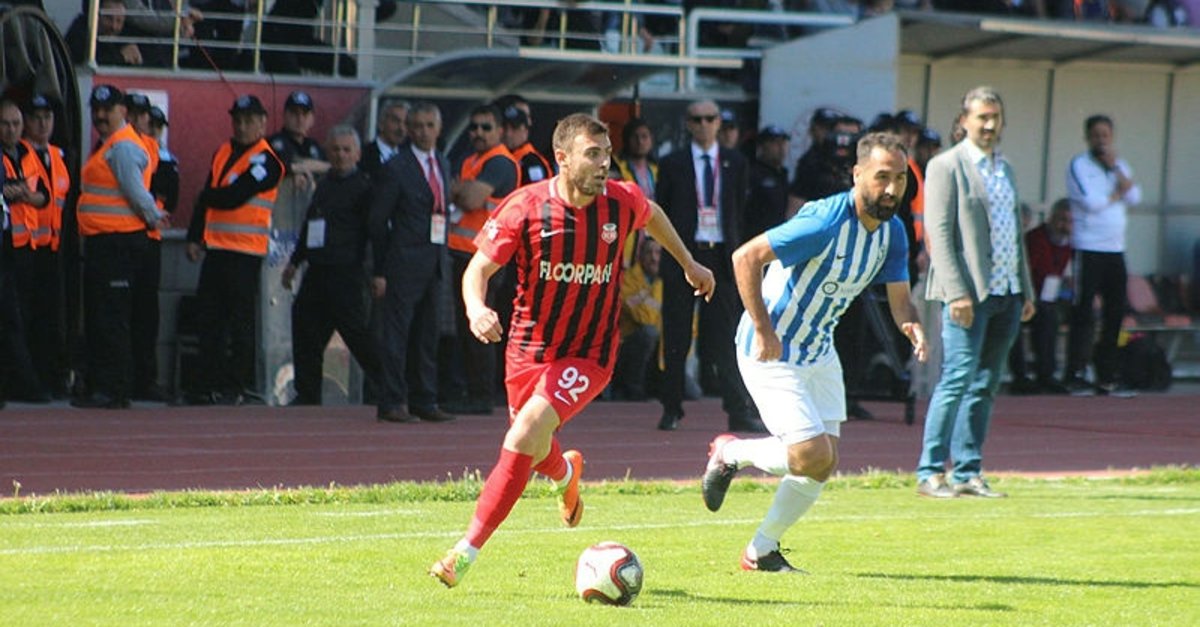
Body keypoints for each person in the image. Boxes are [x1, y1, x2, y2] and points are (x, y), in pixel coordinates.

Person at [429, 112, 715, 588]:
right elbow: (477, 270)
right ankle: (565, 474)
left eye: (607, 154)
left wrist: (688, 263)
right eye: (593, 154)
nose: (604, 164)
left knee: (525, 433)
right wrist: (476, 308)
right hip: (527, 350)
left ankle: (465, 551)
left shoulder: (620, 201)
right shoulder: (525, 207)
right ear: (562, 158)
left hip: (589, 353)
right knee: (532, 443)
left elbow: (652, 213)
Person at [703, 132, 927, 572]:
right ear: (857, 174)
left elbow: (900, 299)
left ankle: (761, 550)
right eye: (882, 177)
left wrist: (911, 324)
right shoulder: (824, 221)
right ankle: (731, 454)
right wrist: (764, 330)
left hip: (820, 351)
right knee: (812, 454)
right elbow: (745, 258)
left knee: (823, 464)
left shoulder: (893, 232)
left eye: (900, 178)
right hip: (771, 349)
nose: (892, 188)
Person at [916, 86, 1035, 499]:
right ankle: (930, 471)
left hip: (1008, 291)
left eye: (995, 117)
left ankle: (968, 471)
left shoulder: (1006, 168)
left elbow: (1014, 234)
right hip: (968, 294)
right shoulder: (945, 165)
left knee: (986, 384)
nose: (989, 124)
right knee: (956, 379)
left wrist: (1026, 289)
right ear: (963, 120)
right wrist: (956, 293)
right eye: (982, 116)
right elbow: (939, 234)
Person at [655, 100, 763, 433]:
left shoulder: (736, 162)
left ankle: (737, 409)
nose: (703, 125)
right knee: (676, 335)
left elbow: (740, 210)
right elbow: (661, 211)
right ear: (688, 124)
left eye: (710, 119)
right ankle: (671, 408)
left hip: (720, 257)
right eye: (697, 119)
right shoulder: (671, 163)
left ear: (719, 123)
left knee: (725, 337)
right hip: (684, 256)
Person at [185, 95, 285, 405]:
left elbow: (234, 195)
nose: (241, 126)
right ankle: (206, 385)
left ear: (262, 123)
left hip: (245, 253)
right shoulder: (223, 151)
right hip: (216, 248)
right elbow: (210, 196)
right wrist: (194, 236)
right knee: (209, 319)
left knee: (240, 322)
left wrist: (206, 196)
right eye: (237, 120)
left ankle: (236, 385)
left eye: (248, 121)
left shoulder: (268, 161)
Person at [71, 85, 167, 408]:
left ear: (122, 111)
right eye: (96, 109)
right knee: (104, 314)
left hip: (118, 244)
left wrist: (153, 217)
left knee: (111, 317)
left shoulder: (122, 146)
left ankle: (113, 389)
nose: (100, 115)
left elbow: (136, 192)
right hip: (107, 242)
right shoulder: (112, 144)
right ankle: (107, 386)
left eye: (107, 109)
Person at [282, 125, 384, 408]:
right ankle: (307, 394)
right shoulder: (325, 185)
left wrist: (378, 272)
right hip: (317, 270)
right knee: (305, 327)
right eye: (336, 149)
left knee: (357, 335)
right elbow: (310, 225)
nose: (340, 155)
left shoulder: (364, 188)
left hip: (346, 272)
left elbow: (376, 234)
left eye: (346, 150)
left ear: (357, 154)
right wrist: (295, 261)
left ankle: (390, 388)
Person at [368, 102, 456, 424]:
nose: (423, 132)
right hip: (403, 263)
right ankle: (392, 401)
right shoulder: (396, 167)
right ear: (408, 129)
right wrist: (381, 268)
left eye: (429, 125)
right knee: (397, 335)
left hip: (434, 261)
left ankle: (425, 399)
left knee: (427, 335)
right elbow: (377, 221)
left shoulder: (442, 162)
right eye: (416, 126)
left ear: (439, 129)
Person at [444, 105, 519, 415]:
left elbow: (470, 198)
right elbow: (458, 193)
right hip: (463, 252)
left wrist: (459, 190)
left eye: (486, 127)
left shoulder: (500, 161)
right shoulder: (470, 160)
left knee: (480, 324)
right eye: (474, 127)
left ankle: (481, 394)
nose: (478, 133)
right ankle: (472, 390)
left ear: (500, 130)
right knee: (465, 327)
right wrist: (460, 191)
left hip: (486, 257)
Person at [1064, 114, 1142, 398]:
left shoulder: (1119, 165)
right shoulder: (1079, 165)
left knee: (1115, 312)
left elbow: (1135, 197)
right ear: (1087, 137)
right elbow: (1091, 202)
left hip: (1115, 249)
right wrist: (1117, 194)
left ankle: (1107, 376)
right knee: (1084, 312)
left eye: (1105, 135)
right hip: (1088, 247)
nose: (1101, 140)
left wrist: (1116, 172)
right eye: (1096, 135)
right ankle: (1075, 373)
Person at [1, 99, 52, 403]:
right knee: (10, 319)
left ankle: (22, 381)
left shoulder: (28, 154)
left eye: (16, 124)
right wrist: (17, 192)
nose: (11, 130)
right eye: (5, 124)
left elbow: (44, 196)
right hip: (6, 247)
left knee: (24, 317)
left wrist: (20, 193)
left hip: (28, 247)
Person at [22, 95, 72, 399]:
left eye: (47, 117)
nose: (42, 124)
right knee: (29, 316)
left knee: (50, 316)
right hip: (26, 246)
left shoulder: (58, 155)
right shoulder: (21, 153)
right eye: (36, 118)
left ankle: (51, 375)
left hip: (53, 248)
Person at [123, 92, 170, 402]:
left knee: (146, 314)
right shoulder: (118, 146)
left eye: (145, 117)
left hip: (150, 239)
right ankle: (124, 378)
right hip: (124, 238)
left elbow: (168, 192)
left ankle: (145, 378)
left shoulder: (158, 152)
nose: (142, 122)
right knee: (122, 312)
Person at [1010, 199, 1073, 395]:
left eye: (1070, 222)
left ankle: (1046, 374)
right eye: (1062, 220)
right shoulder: (1035, 239)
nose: (1065, 226)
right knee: (1013, 321)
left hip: (1045, 298)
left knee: (1049, 318)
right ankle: (1020, 376)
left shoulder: (1067, 244)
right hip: (1022, 296)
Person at [611, 238, 663, 401]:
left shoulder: (664, 281)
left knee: (693, 392)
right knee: (649, 333)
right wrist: (650, 304)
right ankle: (632, 388)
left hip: (660, 349)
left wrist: (644, 299)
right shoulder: (628, 279)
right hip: (626, 346)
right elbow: (644, 318)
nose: (654, 258)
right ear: (640, 255)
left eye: (658, 253)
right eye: (649, 253)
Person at [268, 91, 330, 190]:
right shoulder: (273, 142)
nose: (300, 119)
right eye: (294, 113)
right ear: (285, 115)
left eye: (304, 114)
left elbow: (332, 167)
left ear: (312, 119)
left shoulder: (314, 146)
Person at [495, 95, 552, 187]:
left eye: (515, 128)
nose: (508, 134)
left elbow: (535, 192)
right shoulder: (495, 156)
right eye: (504, 128)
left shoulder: (532, 162)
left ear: (525, 129)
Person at [745, 124, 790, 239]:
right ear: (762, 146)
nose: (780, 148)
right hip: (758, 236)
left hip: (780, 236)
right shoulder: (752, 173)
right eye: (775, 143)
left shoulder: (783, 174)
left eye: (783, 143)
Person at [360, 100, 409, 177]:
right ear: (381, 123)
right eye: (395, 121)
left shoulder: (409, 158)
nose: (401, 128)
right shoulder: (363, 155)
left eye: (406, 123)